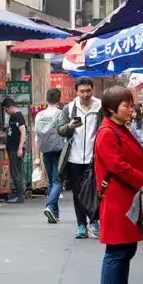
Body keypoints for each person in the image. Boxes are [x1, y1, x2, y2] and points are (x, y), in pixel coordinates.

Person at [94, 86, 143, 284]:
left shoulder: (119, 128)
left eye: (131, 105)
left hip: (127, 195)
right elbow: (117, 166)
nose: (131, 110)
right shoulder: (107, 132)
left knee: (127, 249)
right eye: (126, 106)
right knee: (117, 250)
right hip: (117, 198)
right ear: (112, 109)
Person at [57, 79, 102, 239]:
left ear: (93, 90)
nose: (85, 94)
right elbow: (60, 130)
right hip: (74, 158)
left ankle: (94, 221)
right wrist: (70, 127)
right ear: (76, 91)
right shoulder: (69, 108)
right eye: (82, 91)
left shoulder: (100, 107)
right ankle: (81, 225)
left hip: (93, 158)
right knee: (77, 193)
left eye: (88, 91)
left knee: (94, 191)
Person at [34, 88, 65, 223]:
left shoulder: (39, 115)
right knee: (58, 181)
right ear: (59, 99)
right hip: (59, 150)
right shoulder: (61, 114)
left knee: (51, 182)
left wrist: (37, 157)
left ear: (47, 99)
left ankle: (54, 214)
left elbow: (37, 138)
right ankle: (50, 206)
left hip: (45, 151)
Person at [2, 97, 27, 203]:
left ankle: (20, 195)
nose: (6, 112)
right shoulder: (13, 117)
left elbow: (23, 132)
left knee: (16, 172)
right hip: (12, 147)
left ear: (11, 107)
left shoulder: (18, 116)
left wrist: (20, 148)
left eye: (6, 110)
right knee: (14, 171)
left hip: (16, 148)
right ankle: (18, 193)